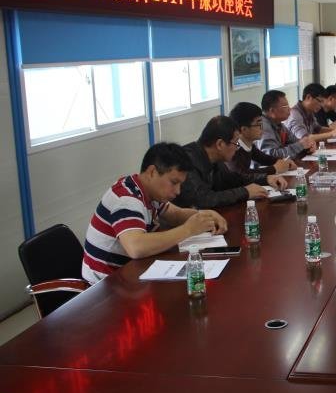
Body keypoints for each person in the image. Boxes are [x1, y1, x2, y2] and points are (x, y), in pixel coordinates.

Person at [81, 142, 228, 284]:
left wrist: (205, 215)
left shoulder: (148, 192)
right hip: (104, 285)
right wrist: (188, 230)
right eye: (174, 182)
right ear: (152, 172)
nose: (178, 191)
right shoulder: (126, 199)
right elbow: (136, 247)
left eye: (180, 184)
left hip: (129, 274)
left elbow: (176, 214)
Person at [174, 116, 287, 209]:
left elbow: (233, 179)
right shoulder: (187, 161)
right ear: (220, 144)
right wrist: (245, 192)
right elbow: (203, 199)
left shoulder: (214, 158)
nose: (237, 148)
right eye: (236, 143)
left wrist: (265, 179)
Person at [228, 102, 296, 176]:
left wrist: (282, 161)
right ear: (244, 129)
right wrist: (274, 169)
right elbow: (243, 174)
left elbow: (264, 158)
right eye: (259, 124)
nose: (262, 128)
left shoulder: (248, 145)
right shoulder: (234, 149)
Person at [259, 90, 316, 159]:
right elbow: (271, 156)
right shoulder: (262, 126)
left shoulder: (279, 124)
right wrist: (301, 145)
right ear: (272, 111)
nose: (289, 109)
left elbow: (295, 142)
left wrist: (308, 147)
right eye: (285, 106)